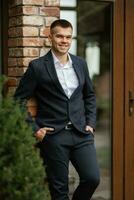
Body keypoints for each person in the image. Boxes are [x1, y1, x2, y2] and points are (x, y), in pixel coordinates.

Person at [14, 19, 100, 200]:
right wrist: (35, 129)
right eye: (59, 36)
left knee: (92, 179)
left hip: (81, 133)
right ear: (50, 37)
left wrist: (90, 123)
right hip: (53, 135)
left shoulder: (80, 63)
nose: (64, 40)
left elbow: (90, 96)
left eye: (68, 37)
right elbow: (18, 101)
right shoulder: (37, 67)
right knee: (59, 190)